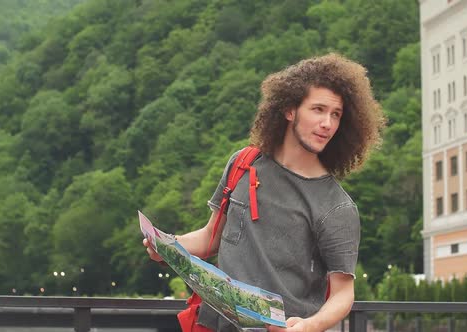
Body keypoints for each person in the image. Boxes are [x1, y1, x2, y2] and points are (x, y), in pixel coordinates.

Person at [144, 53, 385, 332]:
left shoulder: (337, 207)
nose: (328, 124)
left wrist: (310, 326)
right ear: (289, 110)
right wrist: (169, 246)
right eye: (318, 109)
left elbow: (344, 292)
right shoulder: (243, 164)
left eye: (336, 115)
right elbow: (212, 237)